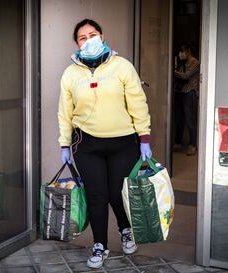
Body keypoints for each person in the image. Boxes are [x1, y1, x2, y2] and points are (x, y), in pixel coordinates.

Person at [57, 19, 152, 269]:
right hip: (86, 145)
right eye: (82, 38)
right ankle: (100, 245)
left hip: (123, 143)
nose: (89, 40)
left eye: (93, 34)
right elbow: (64, 112)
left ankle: (126, 229)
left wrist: (144, 137)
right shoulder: (70, 74)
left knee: (116, 194)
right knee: (97, 195)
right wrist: (64, 144)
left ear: (102, 35)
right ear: (76, 43)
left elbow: (137, 102)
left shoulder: (122, 66)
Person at [173, 43, 200, 156]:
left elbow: (185, 76)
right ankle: (178, 143)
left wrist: (172, 70)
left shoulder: (195, 63)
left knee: (190, 120)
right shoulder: (182, 63)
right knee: (179, 120)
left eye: (183, 51)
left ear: (189, 51)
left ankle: (193, 145)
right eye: (180, 51)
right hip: (180, 93)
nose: (181, 54)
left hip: (189, 93)